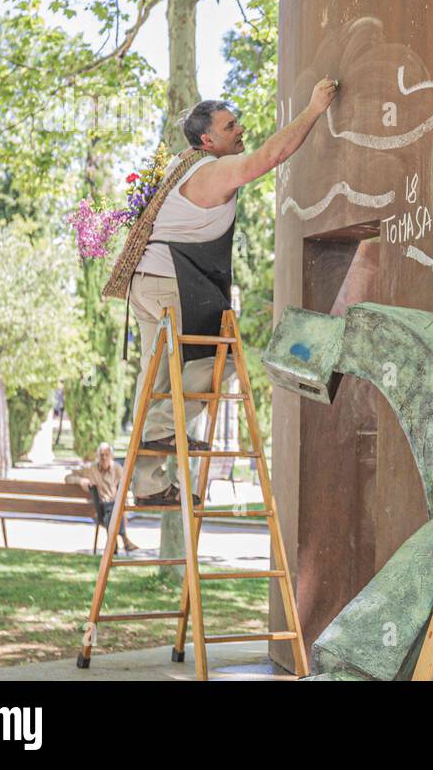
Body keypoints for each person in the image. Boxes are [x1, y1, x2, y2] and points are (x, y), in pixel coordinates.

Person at [127, 77, 339, 507]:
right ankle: (164, 430)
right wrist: (315, 108)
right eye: (229, 127)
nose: (240, 129)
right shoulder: (211, 171)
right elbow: (272, 156)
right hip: (173, 283)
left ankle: (148, 482)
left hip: (149, 282)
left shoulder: (181, 165)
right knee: (215, 359)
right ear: (207, 139)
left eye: (237, 122)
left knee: (156, 379)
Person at [66, 441, 137, 552]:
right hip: (99, 508)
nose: (104, 458)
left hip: (112, 509)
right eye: (101, 455)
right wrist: (80, 480)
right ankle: (124, 539)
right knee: (113, 510)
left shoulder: (117, 468)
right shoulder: (90, 469)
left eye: (107, 455)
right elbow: (68, 477)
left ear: (111, 456)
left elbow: (126, 484)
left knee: (113, 511)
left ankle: (113, 545)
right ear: (98, 456)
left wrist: (125, 506)